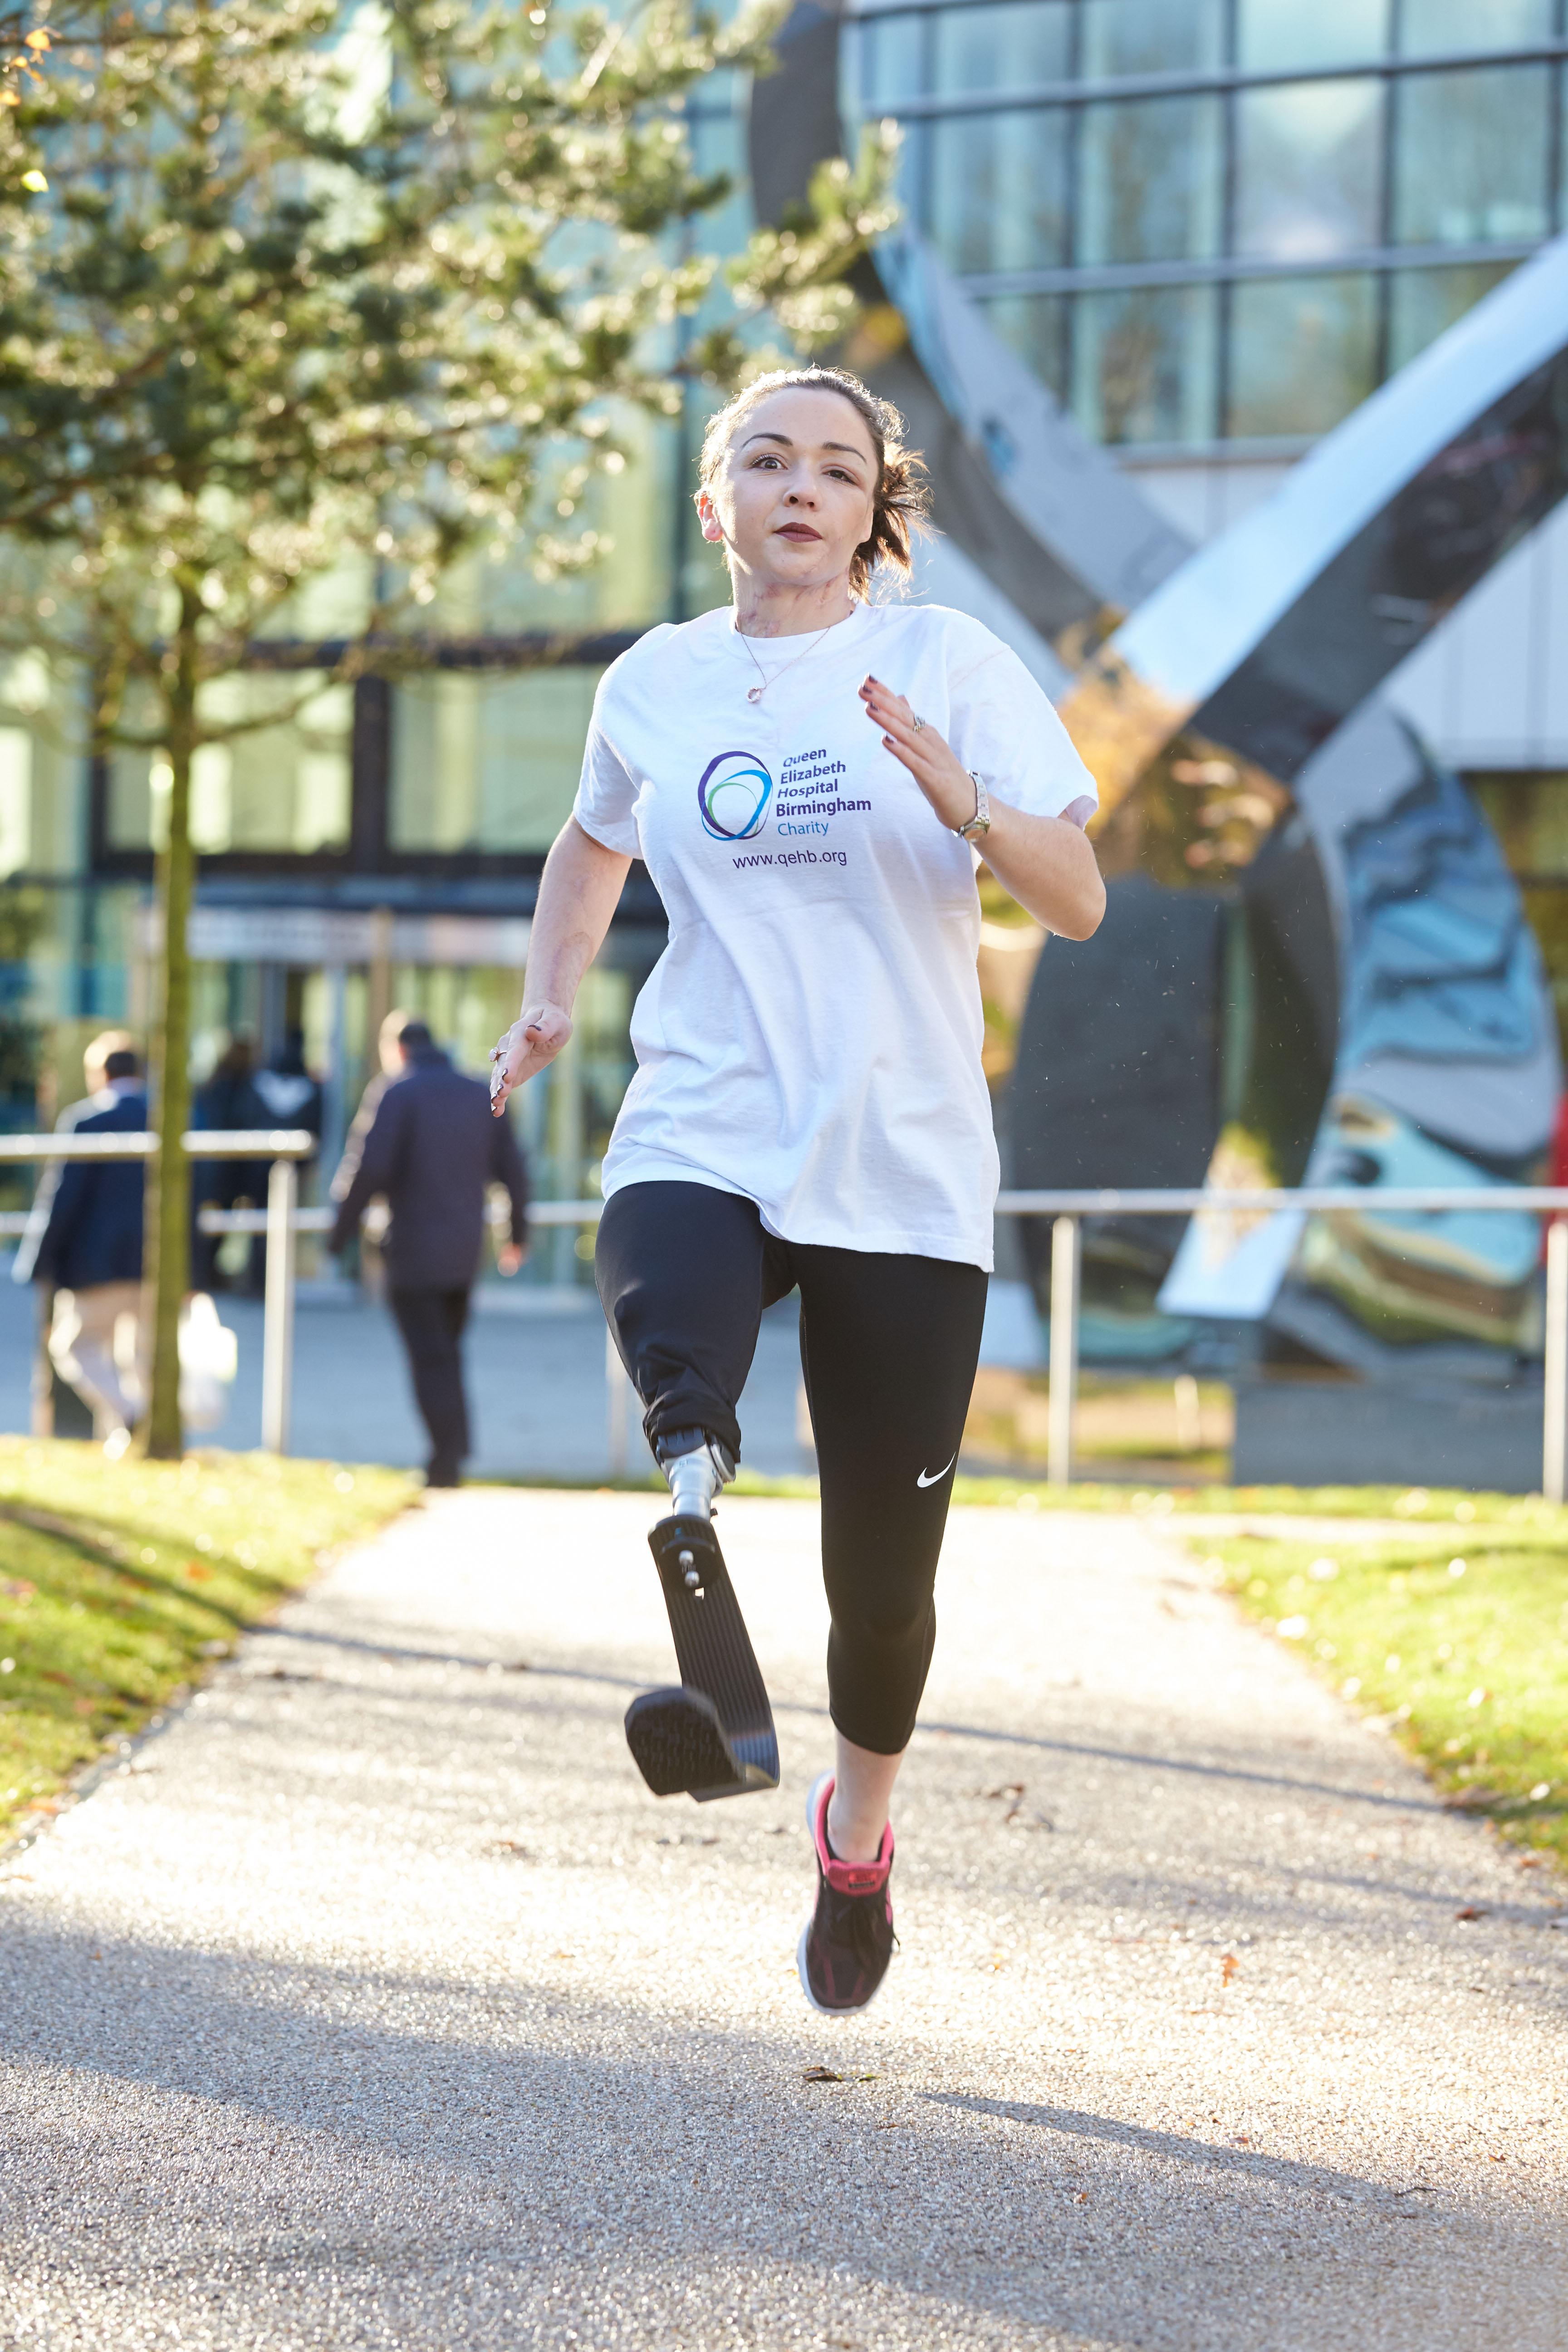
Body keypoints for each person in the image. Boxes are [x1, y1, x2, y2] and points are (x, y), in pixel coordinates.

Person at [487, 365, 1104, 2014]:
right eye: (768, 460)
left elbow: (1080, 899)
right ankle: (692, 1498)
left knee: (883, 1594)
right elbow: (594, 839)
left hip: (902, 1158)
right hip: (712, 1108)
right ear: (719, 505)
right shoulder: (657, 681)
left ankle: (858, 1835)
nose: (803, 487)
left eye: (838, 466)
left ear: (871, 508)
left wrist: (967, 803)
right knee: (664, 1288)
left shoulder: (947, 661)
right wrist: (550, 994)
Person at [329, 1018, 530, 1487]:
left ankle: (447, 1459)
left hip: (413, 1250)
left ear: (398, 1050)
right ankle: (453, 1451)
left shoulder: (396, 1092)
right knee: (446, 1351)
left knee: (430, 1356)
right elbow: (514, 1171)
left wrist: (338, 1235)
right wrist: (516, 1236)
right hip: (464, 1252)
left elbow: (369, 1166)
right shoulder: (477, 1093)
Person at [17, 1039, 149, 1450]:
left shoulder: (87, 1120)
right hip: (154, 1262)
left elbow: (63, 1197)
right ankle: (133, 1431)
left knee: (75, 1346)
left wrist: (41, 1264)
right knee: (140, 1355)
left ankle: (131, 1417)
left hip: (98, 1264)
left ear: (101, 1075)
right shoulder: (171, 1116)